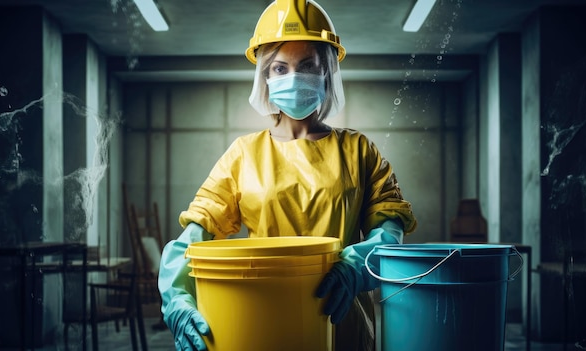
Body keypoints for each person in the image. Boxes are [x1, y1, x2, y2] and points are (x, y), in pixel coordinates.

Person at [157, 0, 417, 350]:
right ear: (264, 76)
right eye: (280, 68)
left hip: (340, 319)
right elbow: (195, 235)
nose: (294, 77)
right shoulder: (243, 154)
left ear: (326, 69)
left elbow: (390, 228)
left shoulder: (359, 151)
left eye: (307, 65)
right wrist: (178, 298)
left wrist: (355, 267)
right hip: (261, 317)